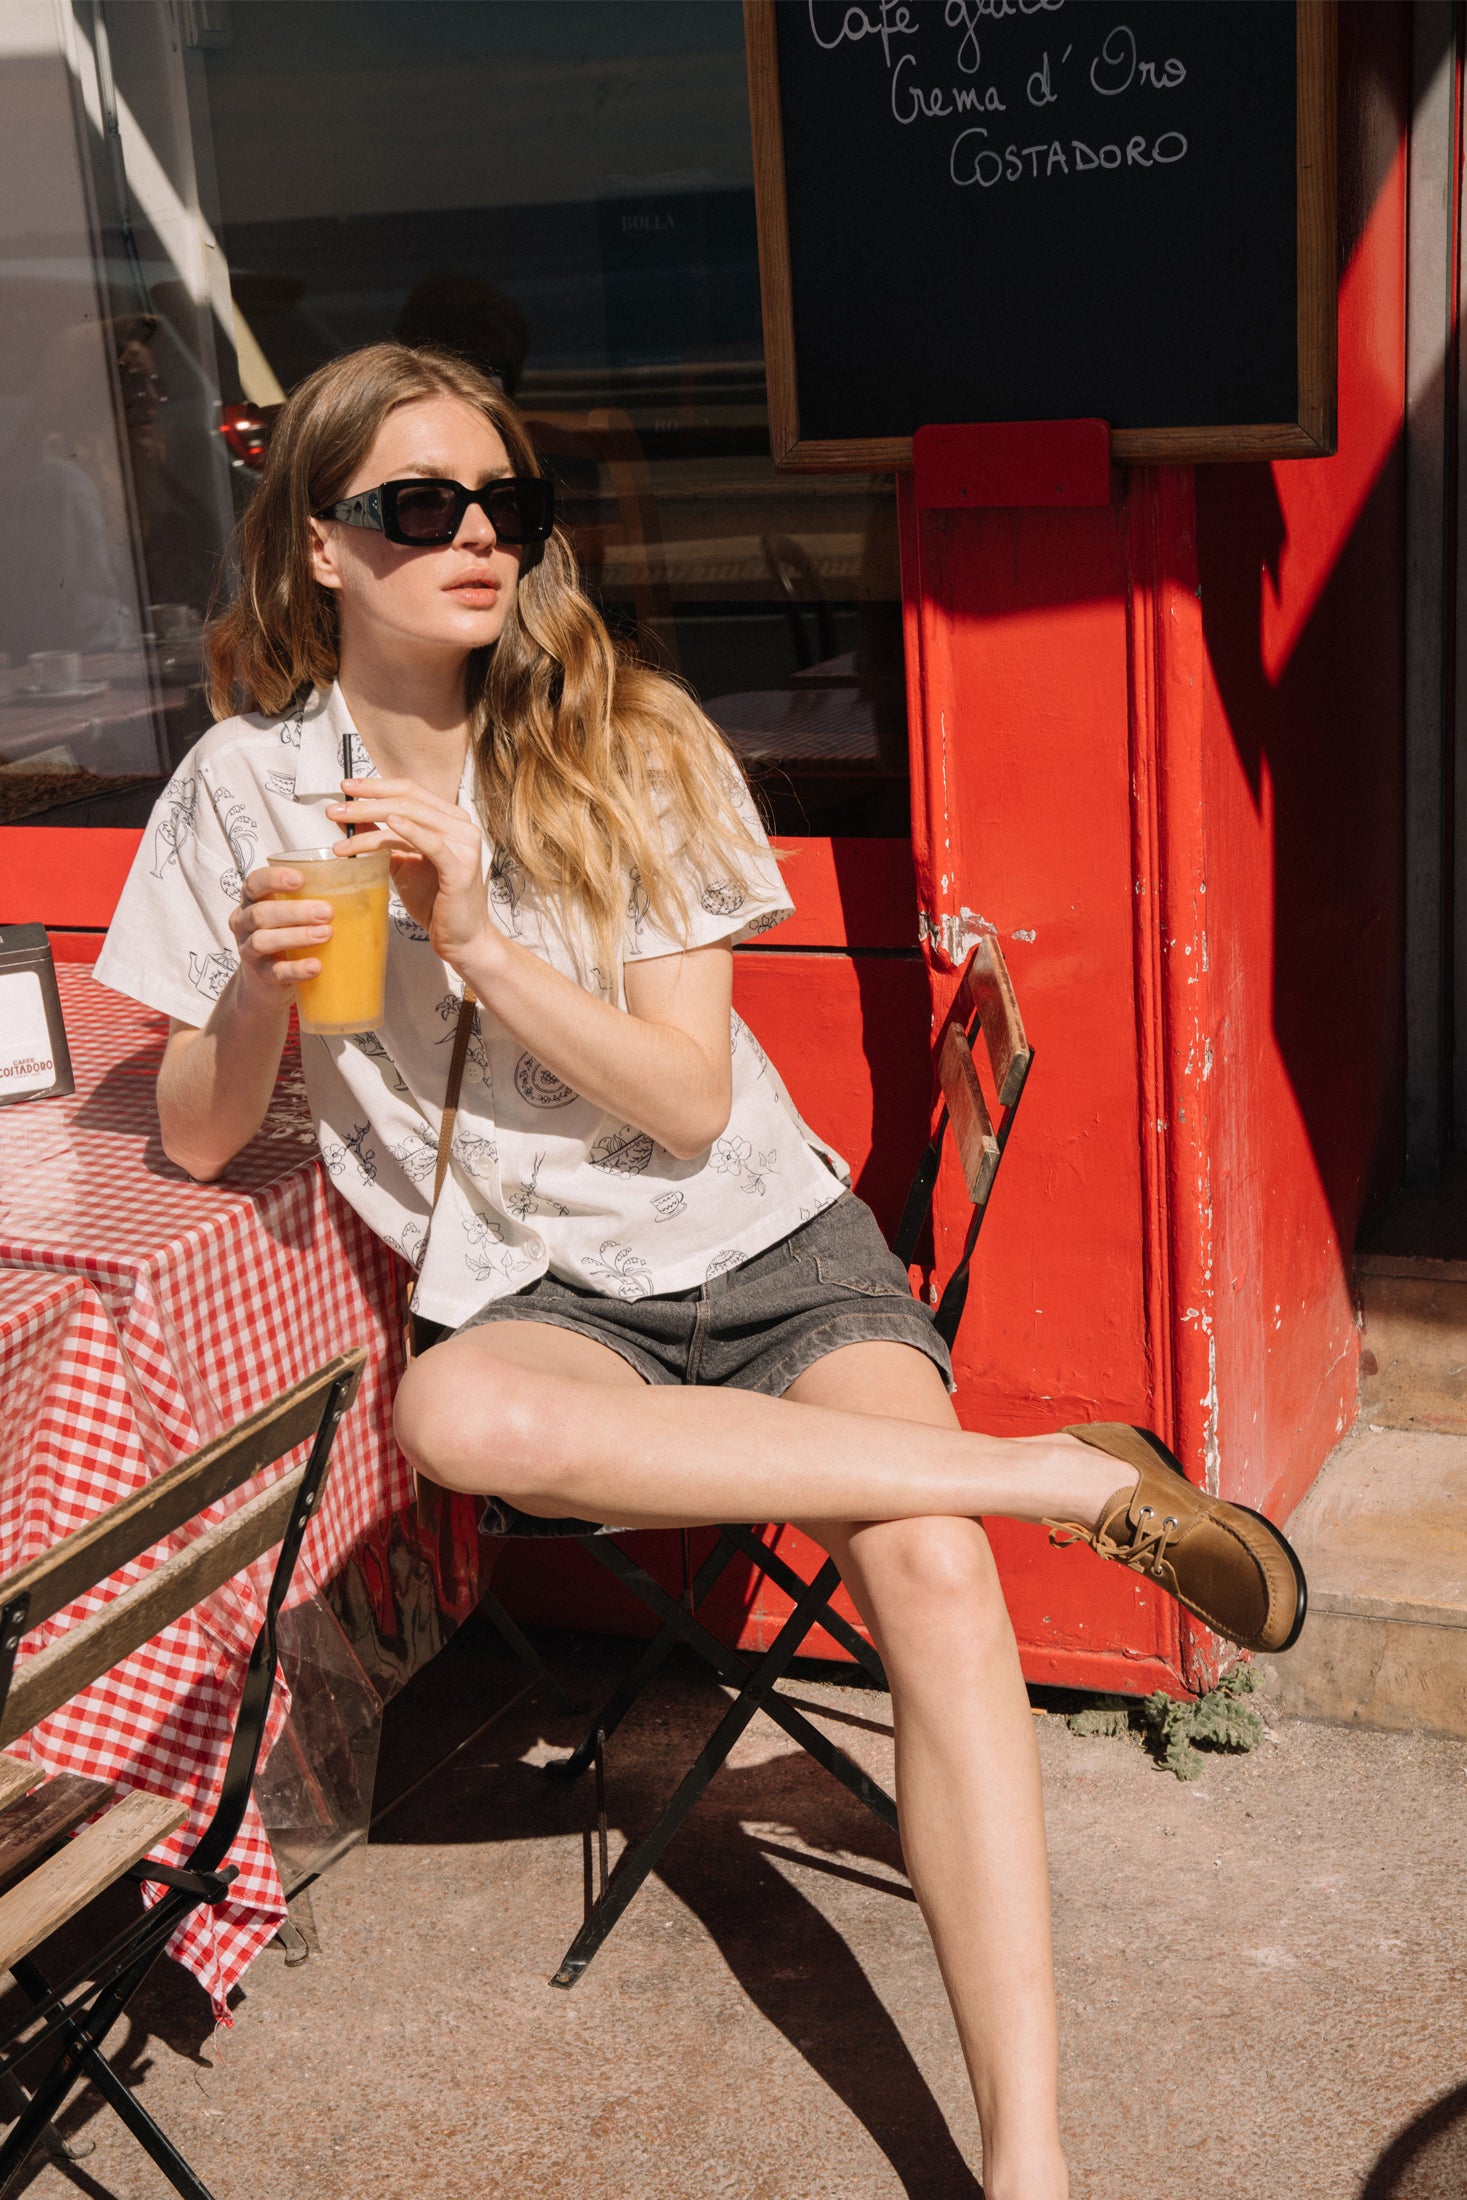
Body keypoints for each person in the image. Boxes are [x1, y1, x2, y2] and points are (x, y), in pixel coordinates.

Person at [94, 342, 1304, 2200]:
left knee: (932, 1571)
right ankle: (1062, 1479)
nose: (477, 535)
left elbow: (683, 1099)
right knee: (453, 1415)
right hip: (535, 1290)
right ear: (321, 545)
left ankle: (1031, 2158)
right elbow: (190, 1138)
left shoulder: (626, 741)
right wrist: (259, 992)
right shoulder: (243, 789)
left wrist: (477, 935)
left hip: (759, 1244)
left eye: (506, 502)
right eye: (421, 504)